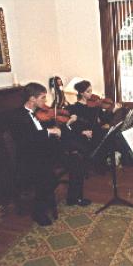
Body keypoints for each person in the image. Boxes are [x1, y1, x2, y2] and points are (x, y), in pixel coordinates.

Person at [11, 83, 91, 227]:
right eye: (42, 98)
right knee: (47, 175)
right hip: (31, 158)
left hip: (44, 152)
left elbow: (38, 134)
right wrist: (49, 132)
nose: (45, 101)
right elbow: (27, 139)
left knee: (76, 160)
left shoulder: (35, 113)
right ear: (32, 99)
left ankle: (74, 198)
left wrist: (54, 130)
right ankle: (39, 212)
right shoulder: (19, 116)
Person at [66, 80, 121, 156]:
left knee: (114, 135)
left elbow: (104, 119)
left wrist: (114, 110)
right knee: (109, 139)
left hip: (97, 132)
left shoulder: (94, 106)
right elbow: (73, 127)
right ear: (81, 93)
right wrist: (82, 132)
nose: (91, 93)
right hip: (87, 137)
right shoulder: (74, 108)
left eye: (91, 90)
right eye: (88, 91)